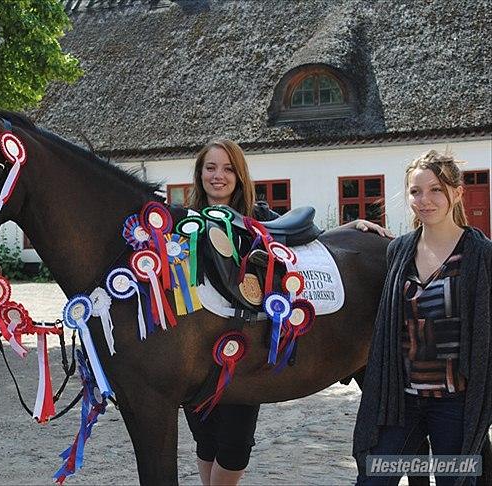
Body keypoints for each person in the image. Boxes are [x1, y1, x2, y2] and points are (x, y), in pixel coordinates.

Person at [185, 139, 392, 486]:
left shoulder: (258, 218)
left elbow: (301, 240)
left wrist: (349, 227)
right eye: (210, 167)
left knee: (234, 442)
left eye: (227, 168)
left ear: (239, 175)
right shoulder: (182, 224)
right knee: (204, 439)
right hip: (195, 351)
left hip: (245, 349)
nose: (218, 176)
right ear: (199, 173)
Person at [353, 150, 492, 485]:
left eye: (435, 190)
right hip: (400, 402)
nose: (424, 200)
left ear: (456, 193)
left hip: (455, 406)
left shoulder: (481, 254)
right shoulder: (398, 250)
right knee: (374, 477)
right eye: (415, 191)